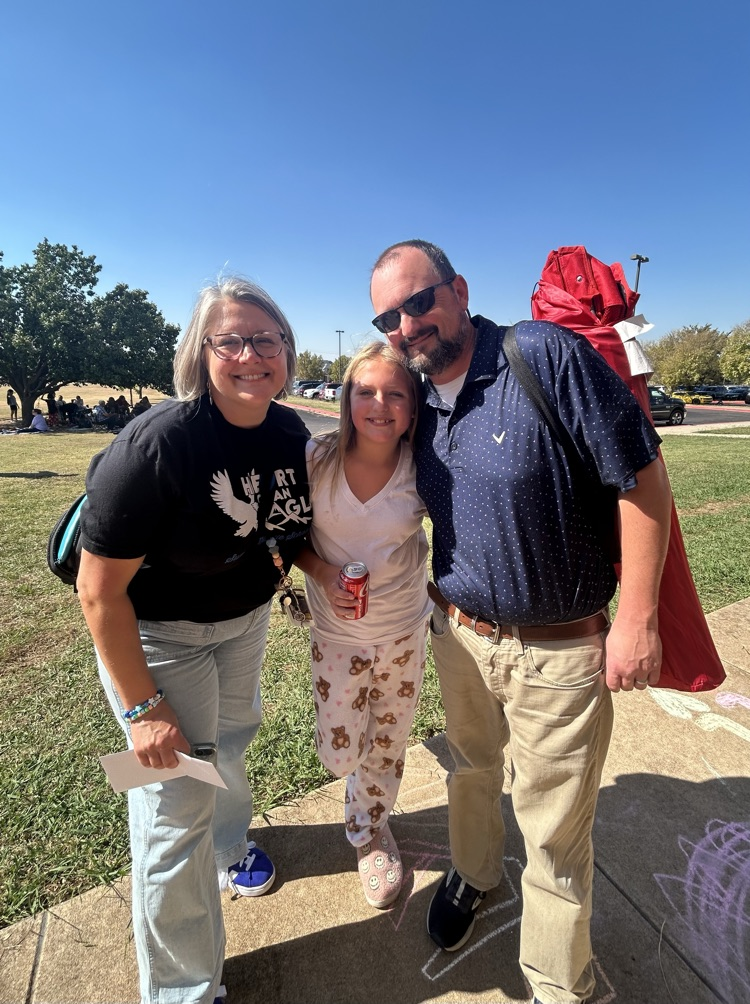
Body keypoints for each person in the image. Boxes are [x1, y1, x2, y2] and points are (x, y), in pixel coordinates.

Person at [370, 240, 673, 1004]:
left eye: (419, 301)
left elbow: (641, 477)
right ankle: (474, 875)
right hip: (461, 639)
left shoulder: (540, 355)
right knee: (471, 772)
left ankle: (556, 984)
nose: (407, 324)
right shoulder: (416, 400)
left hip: (560, 649)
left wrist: (636, 616)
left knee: (556, 842)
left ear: (458, 290)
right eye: (387, 316)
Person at [76, 277, 311, 1004]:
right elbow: (99, 592)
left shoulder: (289, 430)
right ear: (200, 355)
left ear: (286, 350)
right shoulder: (157, 443)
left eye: (265, 338)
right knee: (173, 805)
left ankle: (229, 848)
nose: (250, 354)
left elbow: (284, 531)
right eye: (229, 340)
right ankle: (183, 991)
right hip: (160, 640)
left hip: (245, 623)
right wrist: (143, 708)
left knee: (231, 742)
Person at [295, 342, 431, 909]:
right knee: (341, 748)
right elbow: (284, 536)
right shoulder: (314, 459)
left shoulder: (425, 468)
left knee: (387, 740)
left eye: (395, 393)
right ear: (347, 398)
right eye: (366, 391)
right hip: (336, 635)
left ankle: (370, 831)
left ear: (413, 405)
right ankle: (357, 792)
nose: (380, 404)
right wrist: (323, 572)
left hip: (403, 630)